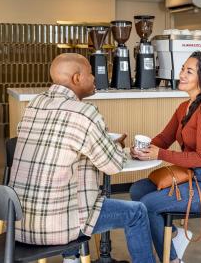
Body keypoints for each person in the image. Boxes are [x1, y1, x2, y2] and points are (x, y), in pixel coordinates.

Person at [9, 53, 156, 263]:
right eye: (90, 73)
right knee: (138, 212)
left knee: (70, 175)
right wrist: (114, 146)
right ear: (77, 79)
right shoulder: (84, 113)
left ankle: (72, 258)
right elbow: (113, 165)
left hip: (20, 220)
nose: (95, 77)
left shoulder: (34, 105)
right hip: (58, 225)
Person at [129, 51, 201, 263]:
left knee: (147, 205)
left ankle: (173, 260)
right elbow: (164, 138)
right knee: (137, 190)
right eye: (182, 69)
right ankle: (174, 236)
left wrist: (160, 154)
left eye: (189, 71)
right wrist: (143, 149)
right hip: (191, 176)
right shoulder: (184, 108)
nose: (182, 74)